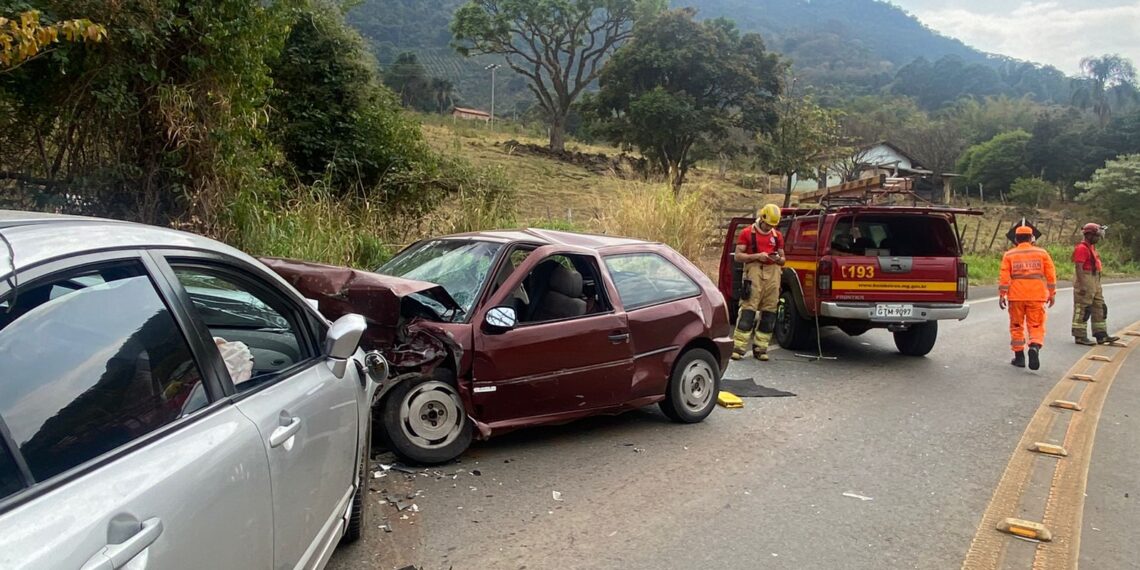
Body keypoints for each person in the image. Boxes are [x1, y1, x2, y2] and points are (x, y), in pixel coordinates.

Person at [999, 225, 1057, 370]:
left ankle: (1019, 358)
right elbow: (1051, 275)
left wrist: (1002, 295)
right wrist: (1052, 293)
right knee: (1036, 325)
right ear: (1031, 238)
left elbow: (1004, 277)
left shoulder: (1009, 255)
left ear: (1016, 239)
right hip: (1036, 295)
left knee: (1016, 326)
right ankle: (1035, 346)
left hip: (1016, 296)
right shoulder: (1042, 253)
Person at [733, 204, 785, 361]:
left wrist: (777, 259)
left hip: (773, 274)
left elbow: (783, 259)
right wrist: (756, 256)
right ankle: (738, 348)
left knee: (770, 311)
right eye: (768, 224)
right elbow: (738, 256)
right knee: (748, 310)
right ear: (762, 218)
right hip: (753, 273)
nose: (769, 227)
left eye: (772, 225)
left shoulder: (777, 236)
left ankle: (761, 348)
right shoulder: (747, 233)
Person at [1071, 223, 1120, 345]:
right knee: (1083, 308)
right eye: (1096, 236)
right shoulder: (1081, 248)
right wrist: (1082, 285)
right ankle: (1080, 336)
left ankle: (1101, 334)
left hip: (1095, 279)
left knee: (1100, 307)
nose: (1098, 239)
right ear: (1089, 235)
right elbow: (1079, 267)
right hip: (1086, 278)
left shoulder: (1091, 247)